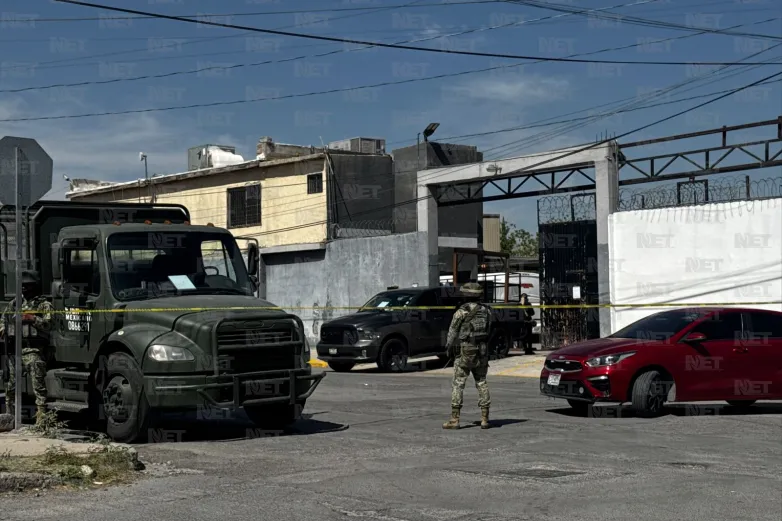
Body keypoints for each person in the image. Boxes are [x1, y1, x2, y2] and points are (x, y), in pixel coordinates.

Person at [0, 271, 53, 424]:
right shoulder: (15, 303)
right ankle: (9, 417)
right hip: (15, 350)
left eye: (27, 286)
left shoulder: (44, 304)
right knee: (10, 385)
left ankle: (41, 419)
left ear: (34, 287)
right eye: (22, 286)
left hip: (33, 350)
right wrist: (2, 328)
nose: (24, 289)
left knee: (38, 385)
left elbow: (49, 325)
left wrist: (32, 318)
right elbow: (4, 318)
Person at [443, 282, 492, 430]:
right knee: (481, 382)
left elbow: (452, 331)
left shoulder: (461, 312)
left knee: (458, 383)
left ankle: (455, 419)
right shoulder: (487, 311)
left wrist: (448, 347)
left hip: (465, 351)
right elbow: (489, 329)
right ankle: (485, 418)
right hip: (482, 350)